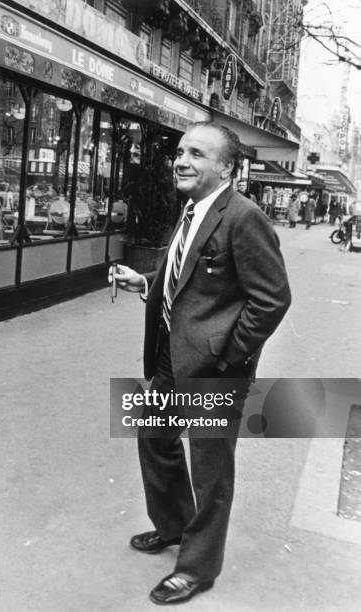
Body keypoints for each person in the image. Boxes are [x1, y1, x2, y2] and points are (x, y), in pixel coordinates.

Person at [110, 122, 291, 605]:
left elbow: (271, 300)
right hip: (171, 357)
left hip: (215, 368)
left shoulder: (244, 217)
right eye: (180, 151)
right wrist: (145, 282)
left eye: (197, 154)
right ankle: (172, 526)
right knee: (154, 437)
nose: (182, 160)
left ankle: (197, 567)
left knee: (210, 470)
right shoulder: (193, 209)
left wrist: (227, 356)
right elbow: (186, 277)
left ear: (227, 168)